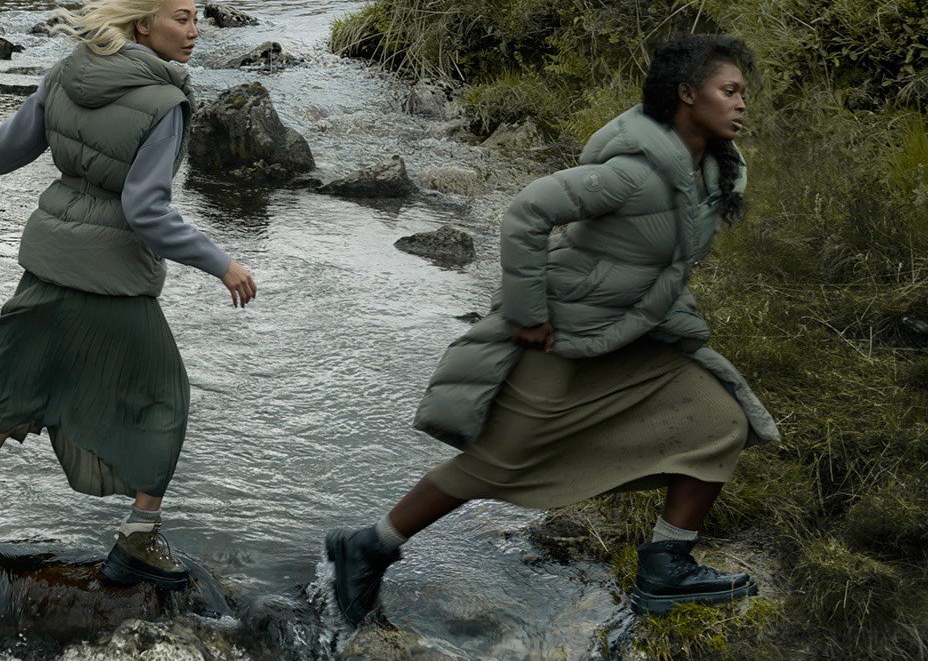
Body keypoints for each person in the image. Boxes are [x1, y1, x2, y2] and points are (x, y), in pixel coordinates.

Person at [327, 33, 780, 623]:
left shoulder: (709, 173)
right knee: (499, 459)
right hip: (564, 331)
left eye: (743, 92)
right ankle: (369, 545)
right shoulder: (634, 173)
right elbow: (526, 213)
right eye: (730, 91)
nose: (742, 103)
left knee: (719, 416)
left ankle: (667, 563)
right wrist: (530, 313)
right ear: (688, 95)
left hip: (635, 334)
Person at [0, 0, 258, 590]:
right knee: (160, 397)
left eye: (197, 16)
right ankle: (138, 542)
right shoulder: (166, 102)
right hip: (113, 279)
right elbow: (146, 211)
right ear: (145, 24)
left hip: (50, 259)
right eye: (182, 17)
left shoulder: (68, 70)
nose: (195, 28)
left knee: (13, 385)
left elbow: (8, 142)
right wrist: (220, 262)